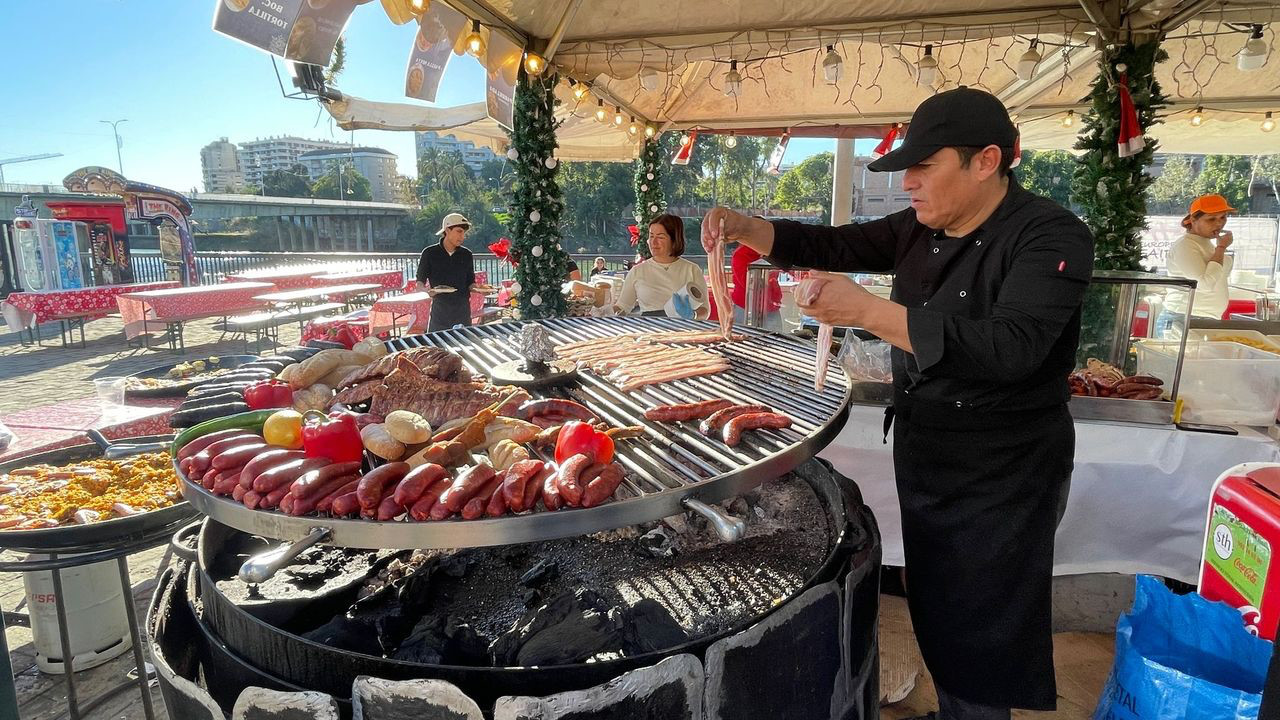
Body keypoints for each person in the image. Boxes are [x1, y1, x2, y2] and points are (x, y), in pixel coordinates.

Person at [702, 87, 1094, 720]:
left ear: (986, 160)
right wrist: (749, 228)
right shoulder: (920, 225)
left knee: (985, 621)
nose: (907, 183)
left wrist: (871, 313)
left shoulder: (1049, 233)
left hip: (1004, 468)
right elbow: (835, 245)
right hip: (928, 446)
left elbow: (1013, 348)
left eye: (923, 167)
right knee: (936, 599)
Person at [1158, 194, 1236, 335]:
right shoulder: (1185, 245)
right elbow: (1204, 284)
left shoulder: (1207, 244)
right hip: (1183, 317)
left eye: (1223, 217)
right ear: (1193, 219)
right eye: (1211, 219)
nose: (1219, 223)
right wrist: (1221, 248)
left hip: (1204, 318)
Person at [614, 214, 709, 318]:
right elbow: (623, 306)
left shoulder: (691, 270)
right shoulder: (637, 271)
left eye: (660, 237)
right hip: (649, 329)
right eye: (651, 236)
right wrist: (600, 311)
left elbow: (705, 309)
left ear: (674, 240)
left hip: (683, 329)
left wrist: (692, 315)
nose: (654, 242)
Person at [415, 212, 478, 332]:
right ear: (447, 230)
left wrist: (480, 290)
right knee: (438, 348)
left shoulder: (467, 254)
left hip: (462, 311)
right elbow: (419, 283)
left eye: (464, 233)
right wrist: (427, 291)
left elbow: (471, 283)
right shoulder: (429, 253)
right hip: (440, 312)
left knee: (464, 348)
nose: (462, 236)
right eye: (459, 231)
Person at [729, 244, 783, 329]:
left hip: (771, 307)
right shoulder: (740, 254)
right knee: (743, 337)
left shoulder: (773, 251)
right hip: (745, 308)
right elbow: (749, 284)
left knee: (777, 336)